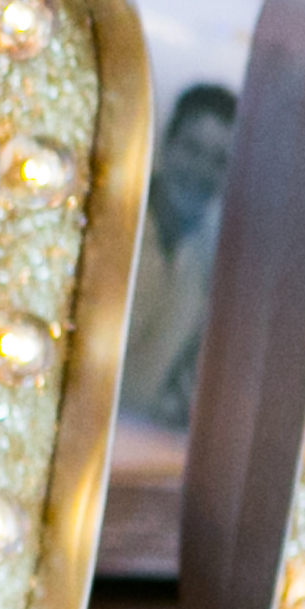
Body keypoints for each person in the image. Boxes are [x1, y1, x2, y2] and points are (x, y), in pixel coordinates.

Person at [120, 83, 234, 423]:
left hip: (138, 449)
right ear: (167, 145)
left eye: (218, 160)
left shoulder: (206, 266)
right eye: (192, 149)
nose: (201, 169)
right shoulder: (112, 230)